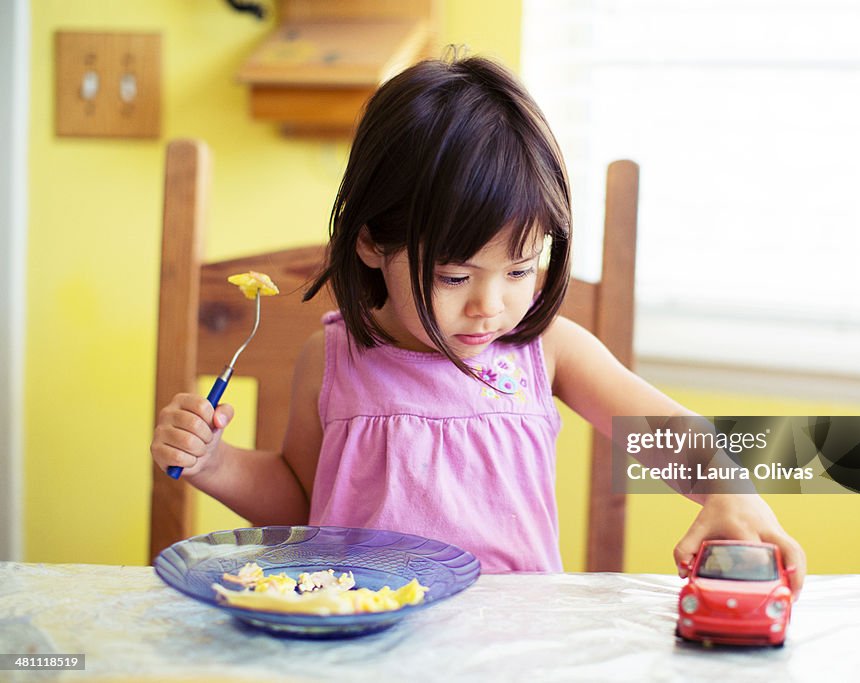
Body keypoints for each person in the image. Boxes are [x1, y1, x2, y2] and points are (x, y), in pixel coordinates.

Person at [150, 54, 806, 591]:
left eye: (520, 270)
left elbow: (663, 431)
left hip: (515, 650)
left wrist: (732, 488)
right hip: (362, 649)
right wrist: (216, 461)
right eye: (455, 276)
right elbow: (301, 503)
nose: (489, 305)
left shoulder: (545, 351)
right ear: (374, 241)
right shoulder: (335, 358)